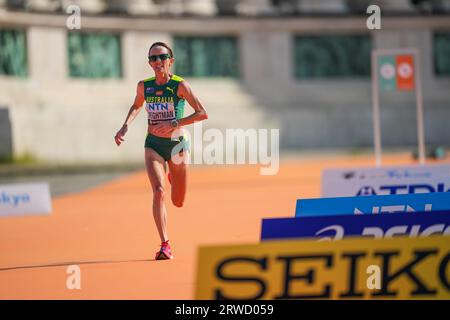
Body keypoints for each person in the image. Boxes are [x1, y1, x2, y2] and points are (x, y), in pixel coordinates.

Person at [114, 42, 208, 260]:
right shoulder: (144, 86)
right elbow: (137, 105)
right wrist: (125, 125)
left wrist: (176, 123)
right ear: (149, 63)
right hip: (153, 144)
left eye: (162, 57)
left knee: (178, 201)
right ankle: (165, 244)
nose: (157, 62)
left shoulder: (180, 85)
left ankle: (174, 176)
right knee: (158, 192)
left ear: (170, 61)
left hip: (177, 143)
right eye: (153, 59)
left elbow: (202, 113)